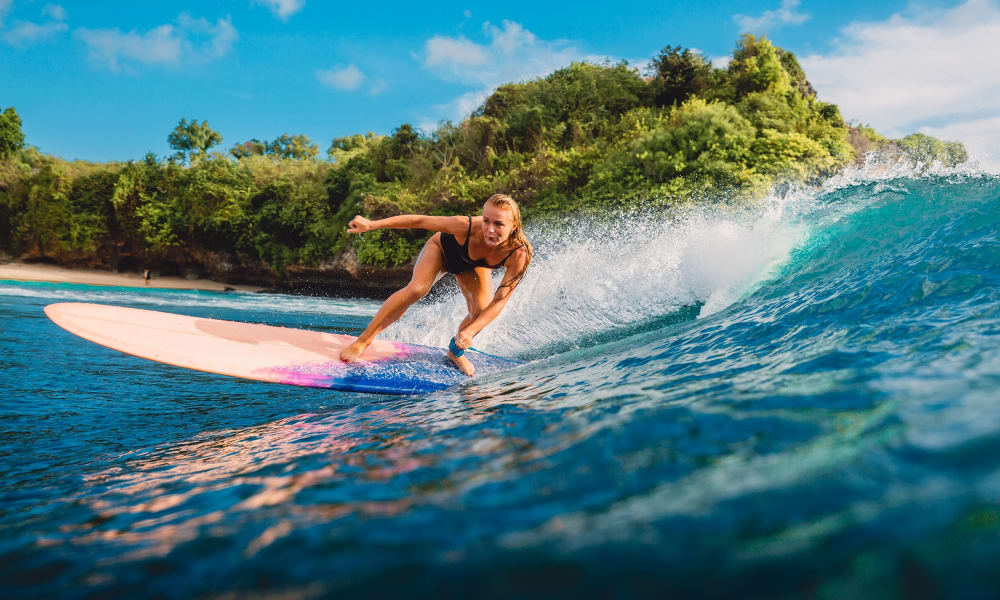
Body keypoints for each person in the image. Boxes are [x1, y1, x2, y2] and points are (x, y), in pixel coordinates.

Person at [339, 193, 533, 376]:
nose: (489, 230)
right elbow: (420, 221)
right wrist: (372, 225)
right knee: (417, 289)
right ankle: (363, 341)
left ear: (514, 225)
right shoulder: (464, 226)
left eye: (498, 224)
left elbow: (500, 300)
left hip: (471, 266)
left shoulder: (519, 254)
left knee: (480, 313)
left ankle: (455, 352)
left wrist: (469, 333)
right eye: (486, 221)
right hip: (442, 250)